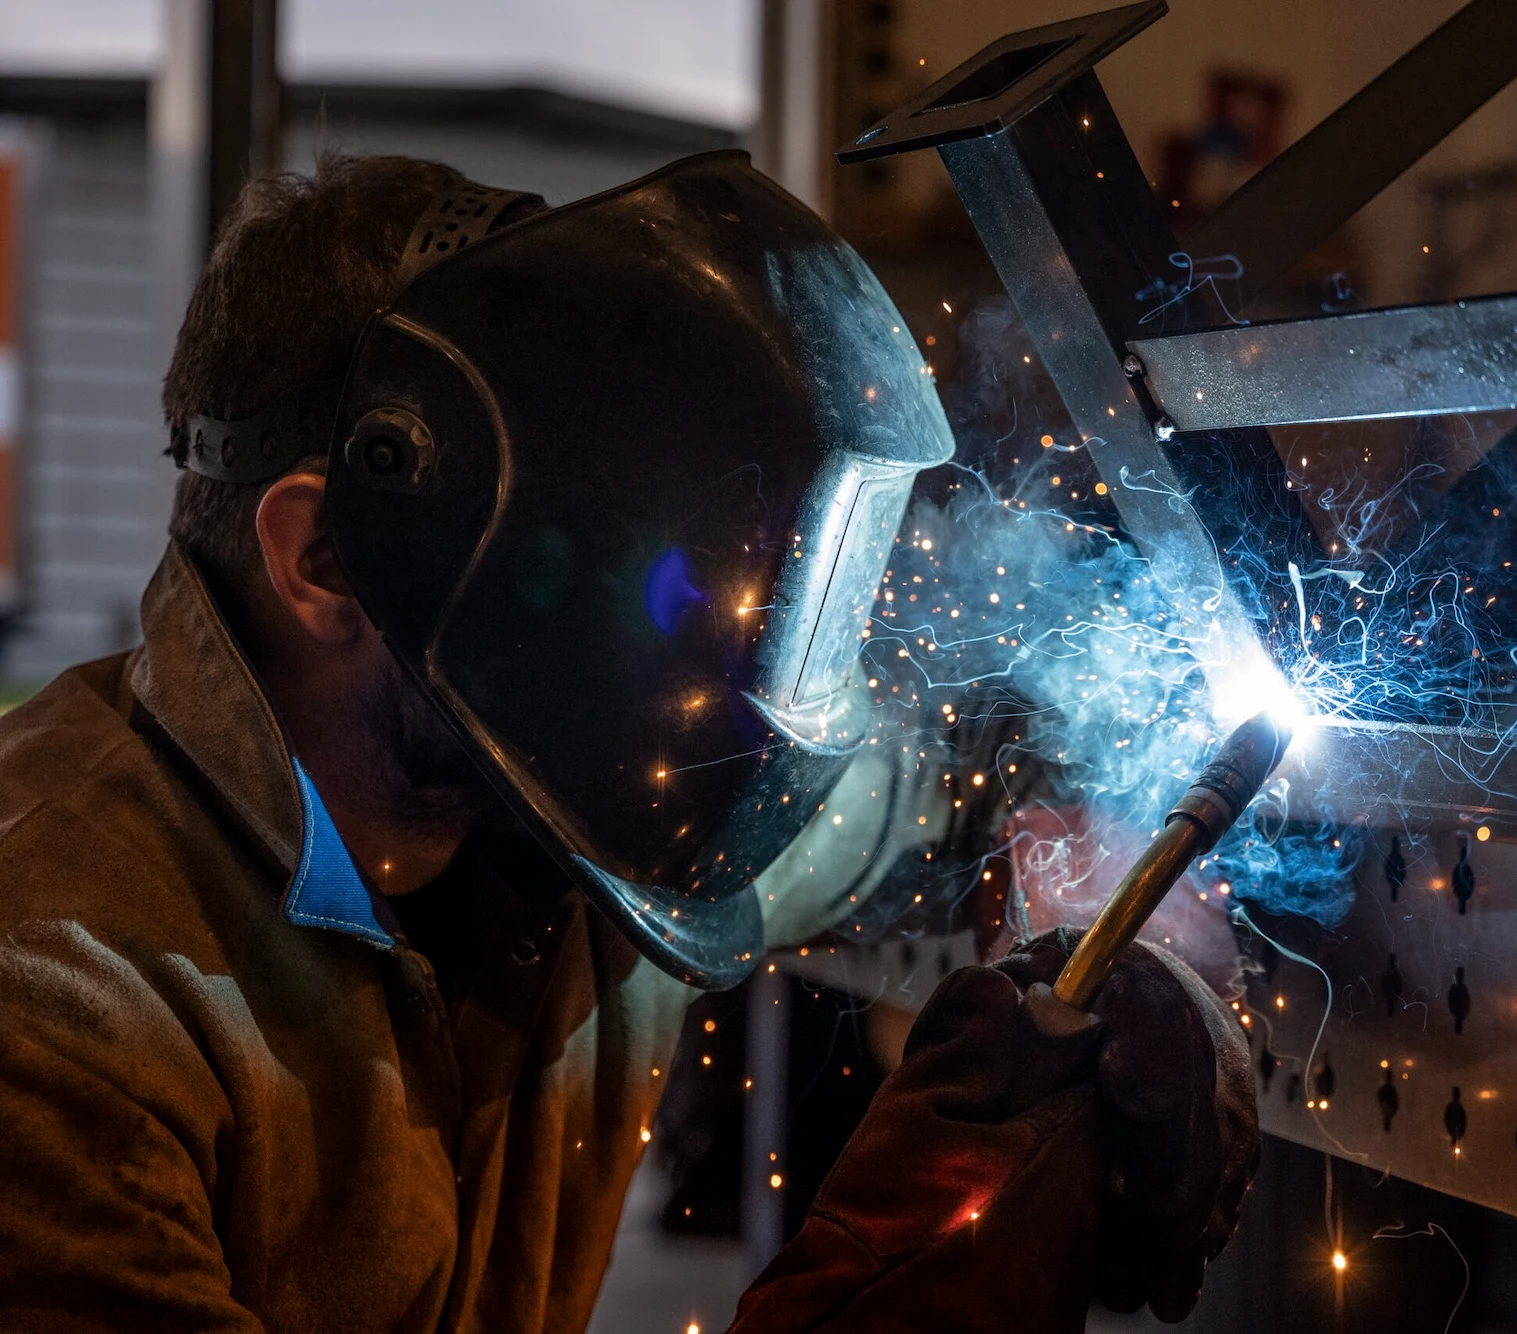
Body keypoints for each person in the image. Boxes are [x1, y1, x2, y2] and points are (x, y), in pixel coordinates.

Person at [0, 151, 1254, 1333]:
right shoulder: (53, 1007)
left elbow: (940, 803)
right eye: (618, 577)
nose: (693, 663)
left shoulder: (590, 813)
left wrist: (1145, 947)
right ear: (329, 557)